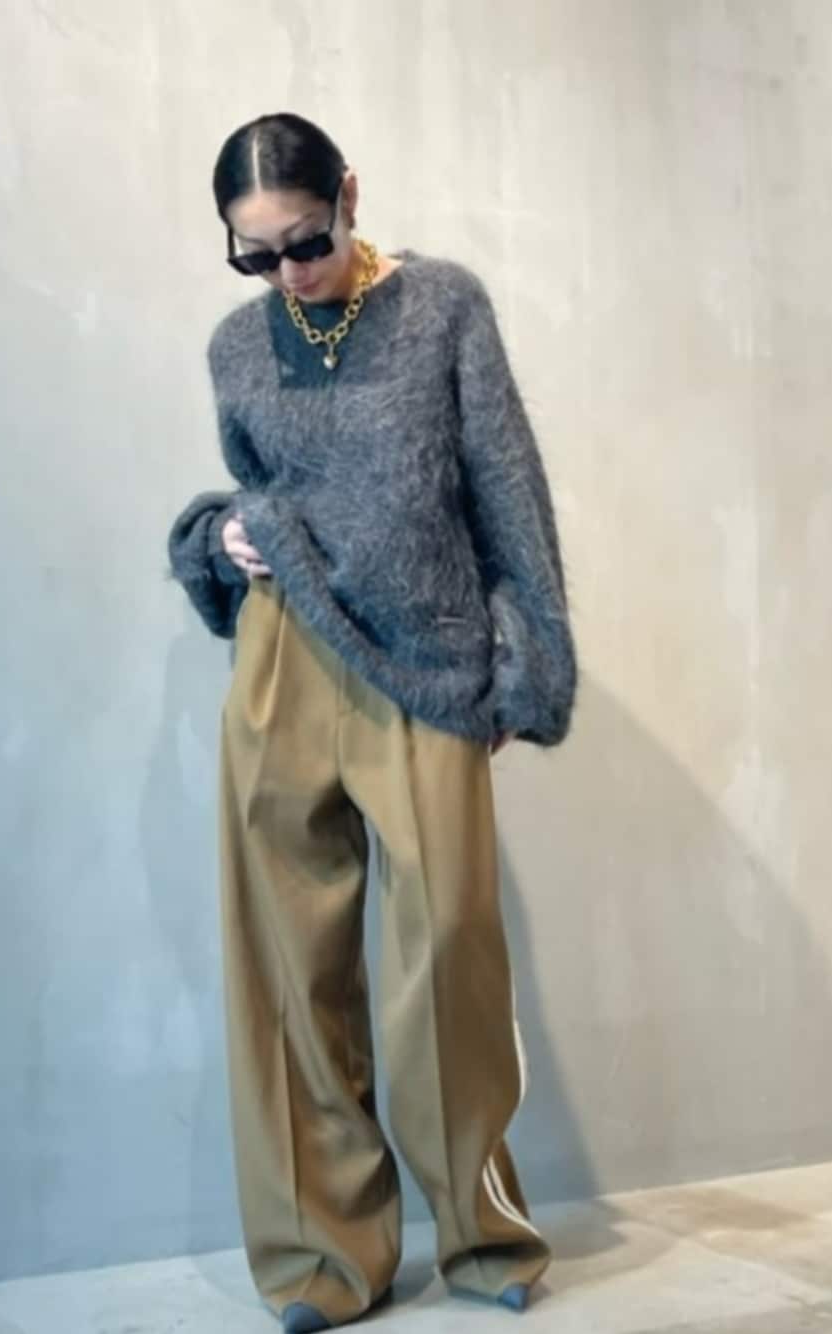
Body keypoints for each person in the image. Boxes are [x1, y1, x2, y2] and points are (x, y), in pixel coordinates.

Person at [167, 112, 577, 1333]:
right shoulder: (237, 345)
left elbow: (507, 490)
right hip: (282, 658)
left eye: (305, 240)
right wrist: (223, 536)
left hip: (424, 664)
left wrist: (525, 668)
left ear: (349, 194)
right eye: (255, 254)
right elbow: (258, 486)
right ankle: (322, 1256)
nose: (287, 271)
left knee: (447, 948)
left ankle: (481, 1232)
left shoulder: (443, 307)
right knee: (290, 971)